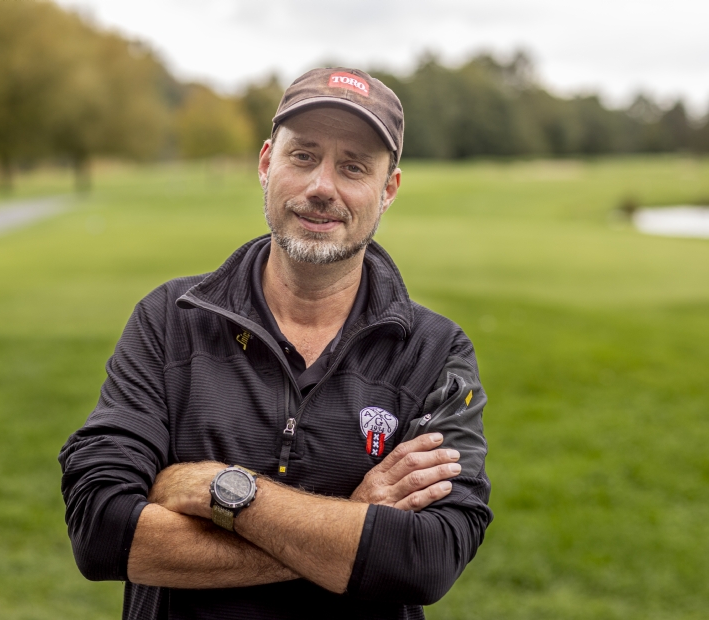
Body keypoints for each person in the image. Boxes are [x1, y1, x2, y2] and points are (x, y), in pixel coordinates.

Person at [59, 67, 492, 620]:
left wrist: (215, 487)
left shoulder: (434, 352)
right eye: (303, 156)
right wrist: (353, 519)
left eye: (353, 167)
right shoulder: (169, 320)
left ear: (388, 190)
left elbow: (426, 559)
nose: (322, 187)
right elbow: (100, 531)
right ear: (266, 164)